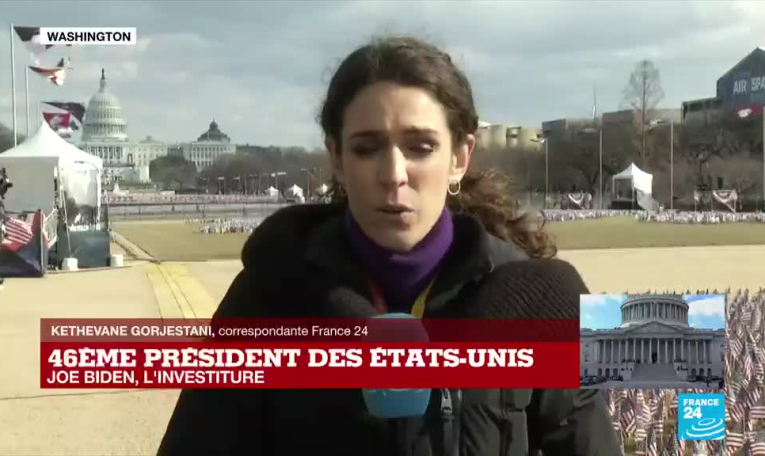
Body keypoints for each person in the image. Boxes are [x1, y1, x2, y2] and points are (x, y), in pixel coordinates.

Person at [157, 35, 620, 456]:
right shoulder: (267, 300)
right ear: (337, 159)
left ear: (460, 157)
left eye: (420, 147)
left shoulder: (537, 302)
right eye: (367, 148)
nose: (394, 174)